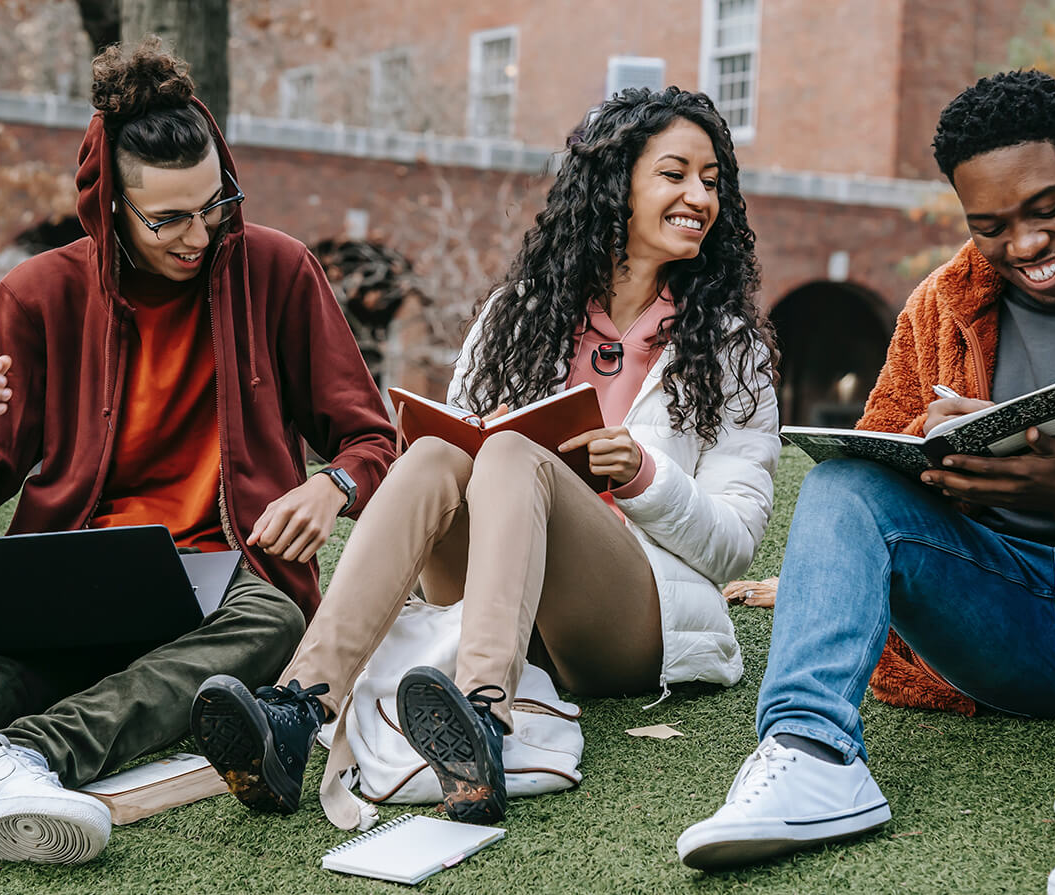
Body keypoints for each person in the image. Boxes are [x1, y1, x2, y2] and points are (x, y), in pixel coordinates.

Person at [190, 86, 781, 831]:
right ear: (614, 185)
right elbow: (458, 457)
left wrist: (641, 474)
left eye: (711, 180)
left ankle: (482, 720)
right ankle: (298, 707)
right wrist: (482, 436)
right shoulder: (518, 314)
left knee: (510, 453)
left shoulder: (728, 346)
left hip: (625, 617)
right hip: (490, 594)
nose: (698, 195)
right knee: (442, 449)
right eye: (674, 174)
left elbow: (732, 544)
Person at [679, 70, 1055, 895]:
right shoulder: (938, 305)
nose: (1023, 245)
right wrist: (943, 454)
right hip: (992, 623)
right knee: (844, 482)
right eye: (988, 224)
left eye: (1045, 208)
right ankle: (811, 756)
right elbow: (882, 455)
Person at [0, 39, 396, 864]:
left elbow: (371, 436)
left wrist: (332, 489)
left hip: (227, 580)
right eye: (167, 218)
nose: (200, 233)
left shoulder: (278, 271)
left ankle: (29, 753)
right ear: (109, 205)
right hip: (72, 574)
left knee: (274, 621)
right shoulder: (35, 297)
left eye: (214, 204)